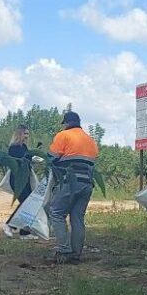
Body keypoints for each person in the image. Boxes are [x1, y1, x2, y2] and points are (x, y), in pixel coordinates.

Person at [47, 111, 99, 264]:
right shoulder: (90, 140)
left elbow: (52, 158)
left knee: (56, 213)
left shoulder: (63, 136)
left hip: (70, 182)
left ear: (67, 123)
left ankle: (64, 250)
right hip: (87, 184)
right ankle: (76, 254)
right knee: (77, 217)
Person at [4, 125, 32, 236]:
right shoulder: (13, 148)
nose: (27, 136)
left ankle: (23, 231)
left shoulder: (24, 147)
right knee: (25, 202)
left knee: (28, 203)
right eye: (25, 134)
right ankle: (10, 225)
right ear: (20, 134)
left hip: (25, 178)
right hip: (17, 179)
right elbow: (21, 161)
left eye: (28, 134)